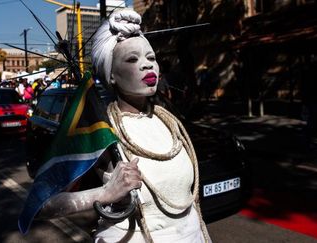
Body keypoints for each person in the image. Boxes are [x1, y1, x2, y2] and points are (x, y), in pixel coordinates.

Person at [33, 10, 211, 243]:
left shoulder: (168, 122)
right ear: (112, 75)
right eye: (132, 59)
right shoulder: (100, 130)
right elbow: (40, 205)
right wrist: (104, 193)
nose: (148, 66)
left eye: (151, 58)